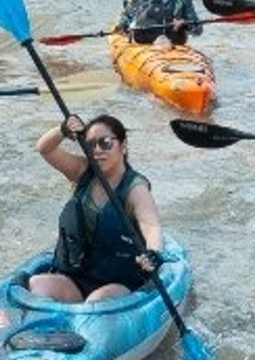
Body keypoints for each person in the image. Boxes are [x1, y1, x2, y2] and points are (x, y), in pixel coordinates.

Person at [27, 113, 167, 303]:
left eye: (106, 142)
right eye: (91, 144)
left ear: (123, 146)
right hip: (77, 278)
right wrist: (63, 130)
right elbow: (45, 149)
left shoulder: (135, 189)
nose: (98, 150)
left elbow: (152, 226)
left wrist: (153, 254)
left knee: (95, 302)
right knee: (37, 284)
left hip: (117, 284)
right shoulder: (81, 171)